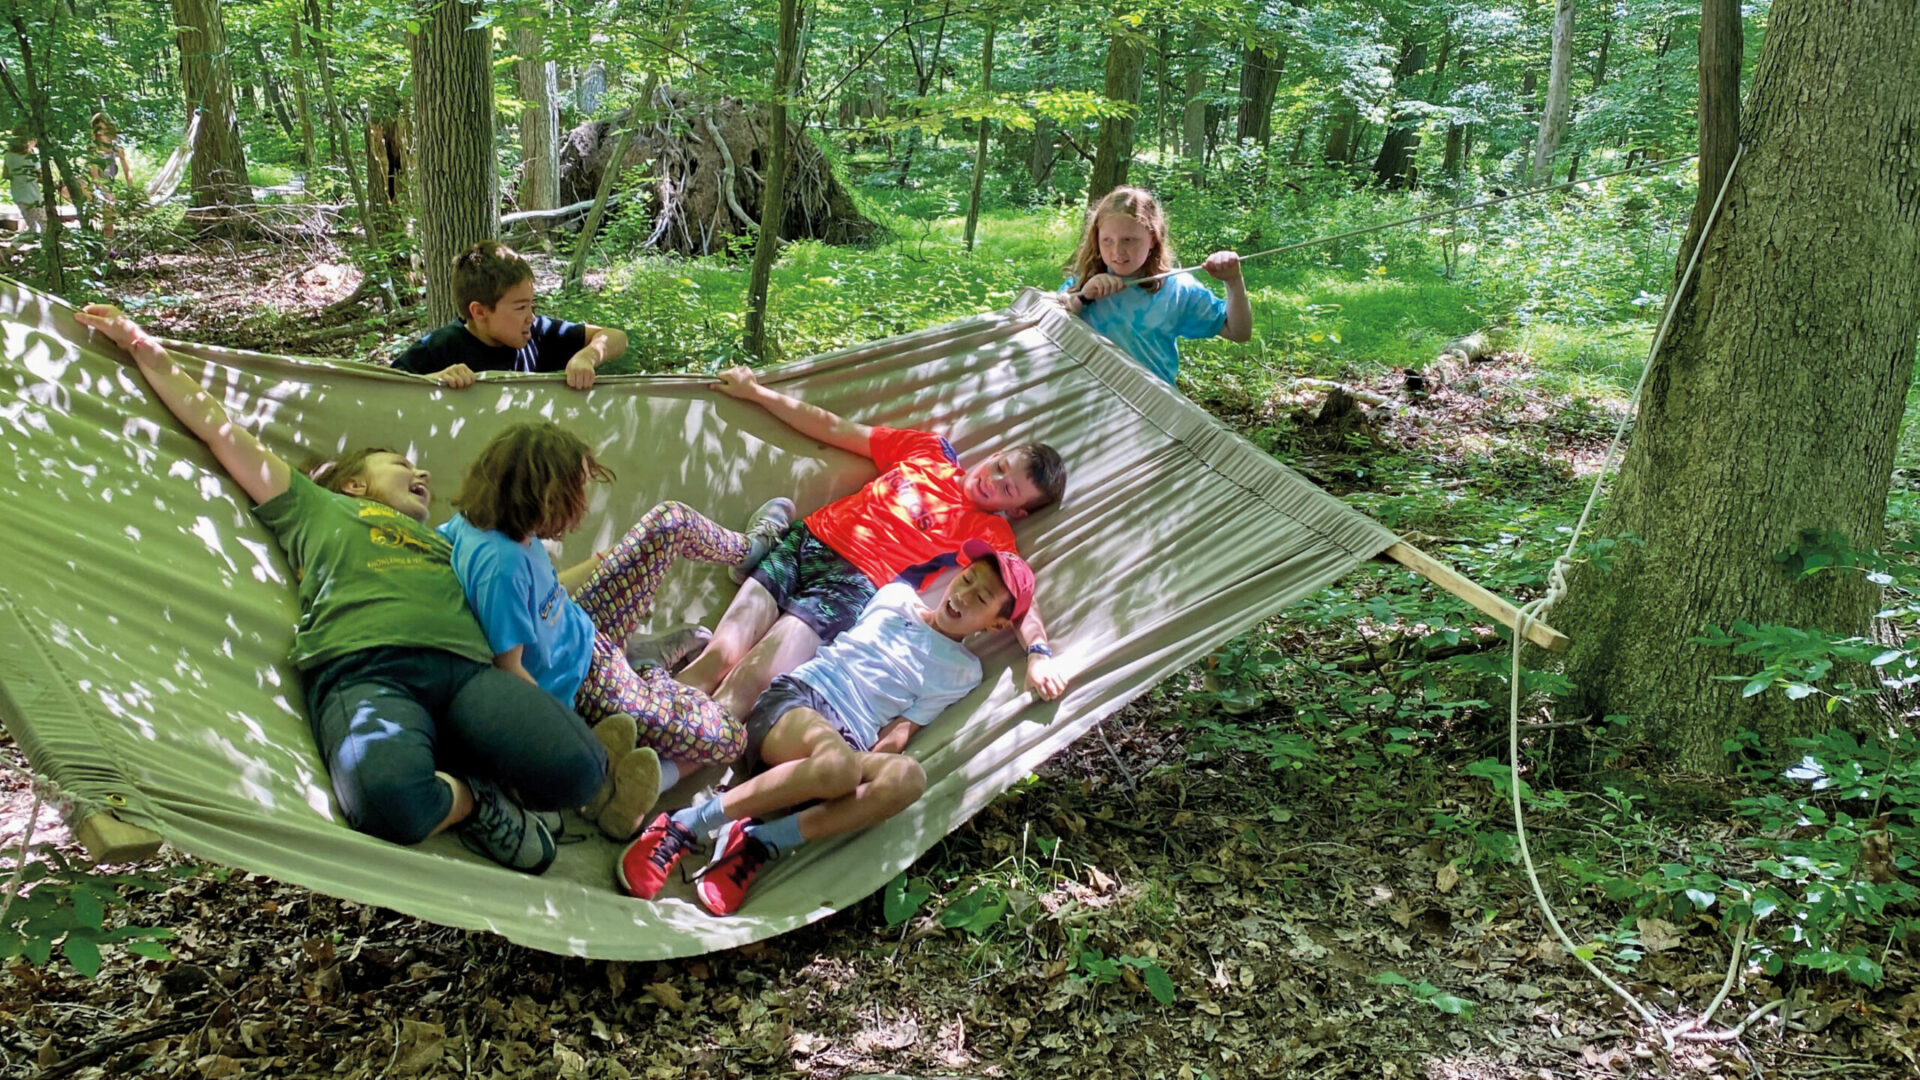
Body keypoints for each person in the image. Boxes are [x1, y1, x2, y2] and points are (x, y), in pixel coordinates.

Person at [72, 304, 642, 876]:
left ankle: (482, 779)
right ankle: (476, 799)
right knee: (388, 805)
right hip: (366, 670)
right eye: (398, 464)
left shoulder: (449, 539)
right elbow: (222, 433)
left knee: (581, 771)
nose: (419, 474)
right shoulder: (316, 509)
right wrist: (145, 348)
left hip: (468, 675)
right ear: (352, 484)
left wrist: (597, 566)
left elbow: (532, 589)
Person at [619, 541, 1036, 914]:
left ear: (997, 625)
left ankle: (762, 841)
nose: (961, 596)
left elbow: (899, 732)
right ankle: (686, 822)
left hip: (847, 746)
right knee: (837, 765)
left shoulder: (963, 672)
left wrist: (859, 784)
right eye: (966, 580)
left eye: (980, 598)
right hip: (800, 701)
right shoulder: (896, 597)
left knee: (908, 777)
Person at [438, 421, 796, 838]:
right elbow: (512, 675)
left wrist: (601, 565)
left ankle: (750, 550)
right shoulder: (501, 568)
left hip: (585, 623)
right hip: (587, 685)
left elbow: (543, 597)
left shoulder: (476, 524)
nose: (584, 506)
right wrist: (573, 745)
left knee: (669, 520)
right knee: (727, 738)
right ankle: (648, 675)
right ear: (541, 496)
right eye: (576, 494)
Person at [675, 366, 1070, 729]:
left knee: (748, 683)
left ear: (1016, 510)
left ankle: (660, 770)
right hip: (805, 543)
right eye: (1000, 467)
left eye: (1007, 489)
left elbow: (1019, 597)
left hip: (850, 588)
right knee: (720, 655)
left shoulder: (989, 532)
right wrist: (758, 393)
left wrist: (1038, 651)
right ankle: (638, 723)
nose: (992, 480)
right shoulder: (931, 452)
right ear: (998, 454)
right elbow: (837, 429)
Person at [1058, 186, 1253, 386]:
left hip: (1152, 406)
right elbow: (1051, 327)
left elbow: (1239, 332)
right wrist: (1082, 298)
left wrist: (1233, 281)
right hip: (1091, 401)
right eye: (1107, 240)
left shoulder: (1177, 289)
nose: (1117, 251)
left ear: (1152, 238)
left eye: (1128, 240)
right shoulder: (1083, 282)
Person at [391, 240, 628, 390]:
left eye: (531, 305)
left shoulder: (536, 335)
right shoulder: (440, 347)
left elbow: (616, 337)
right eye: (520, 307)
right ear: (479, 312)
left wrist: (587, 357)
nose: (531, 317)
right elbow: (386, 389)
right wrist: (434, 380)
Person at [87, 113, 132, 244]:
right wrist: (105, 193)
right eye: (99, 130)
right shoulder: (93, 149)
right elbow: (94, 175)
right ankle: (94, 248)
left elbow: (127, 170)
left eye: (105, 130)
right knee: (101, 214)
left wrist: (131, 191)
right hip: (95, 187)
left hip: (108, 186)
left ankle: (108, 250)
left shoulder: (116, 149)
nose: (102, 133)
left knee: (109, 222)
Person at [4, 134, 45, 234]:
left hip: (18, 195)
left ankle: (16, 246)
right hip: (32, 196)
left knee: (32, 228)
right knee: (45, 224)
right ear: (29, 141)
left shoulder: (8, 155)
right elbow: (41, 175)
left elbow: (6, 175)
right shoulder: (32, 156)